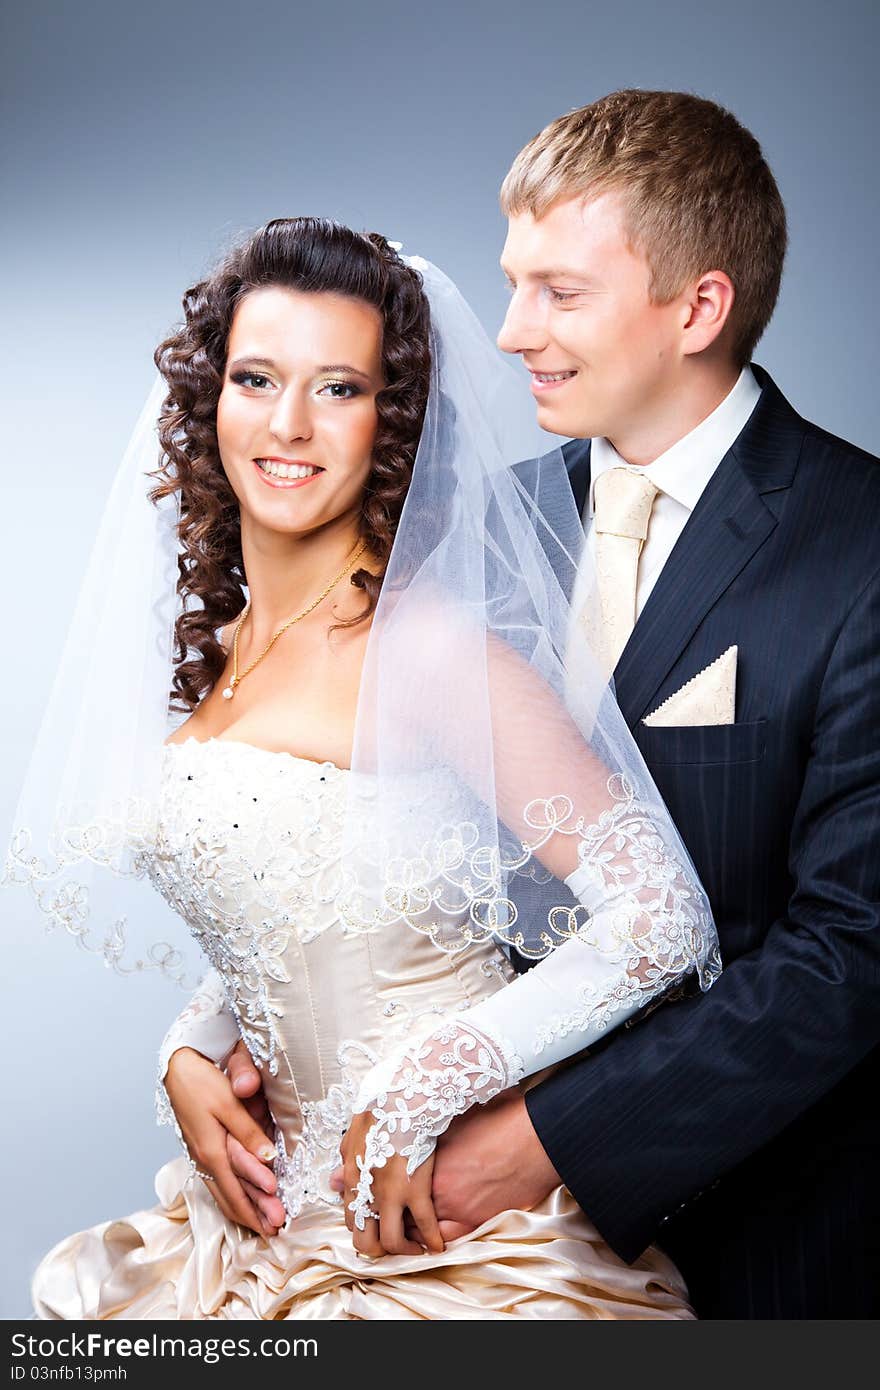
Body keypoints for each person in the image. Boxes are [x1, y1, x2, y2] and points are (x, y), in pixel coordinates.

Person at [169, 91, 880, 1319]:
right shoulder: (468, 531)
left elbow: (851, 954)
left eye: (559, 292)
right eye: (511, 284)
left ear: (697, 306)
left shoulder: (860, 547)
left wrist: (549, 1137)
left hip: (771, 1245)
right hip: (415, 1231)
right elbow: (363, 828)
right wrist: (197, 1039)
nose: (507, 333)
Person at [10, 216, 720, 1320]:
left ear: (391, 422)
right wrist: (191, 1050)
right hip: (260, 1224)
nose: (288, 424)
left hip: (442, 1229)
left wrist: (427, 1085)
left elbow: (662, 915)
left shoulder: (428, 649)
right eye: (256, 377)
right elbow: (331, 888)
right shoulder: (222, 651)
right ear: (207, 399)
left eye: (339, 388)